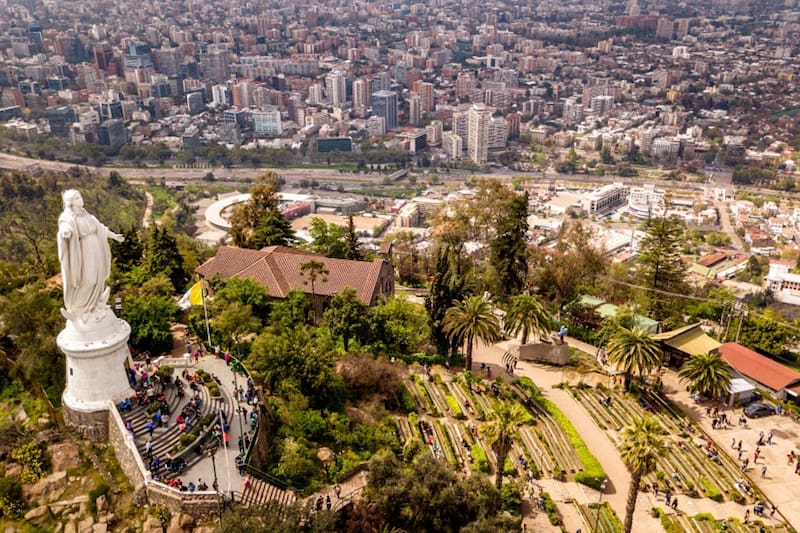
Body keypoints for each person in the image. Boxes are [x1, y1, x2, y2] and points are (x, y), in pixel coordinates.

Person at [57, 189, 124, 318]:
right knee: (88, 279)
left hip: (96, 248)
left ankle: (93, 304)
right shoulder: (68, 218)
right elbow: (65, 226)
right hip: (85, 251)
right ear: (71, 202)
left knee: (98, 277)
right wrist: (65, 232)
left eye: (80, 196)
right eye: (77, 198)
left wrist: (114, 236)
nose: (81, 199)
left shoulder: (87, 215)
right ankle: (79, 307)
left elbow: (100, 228)